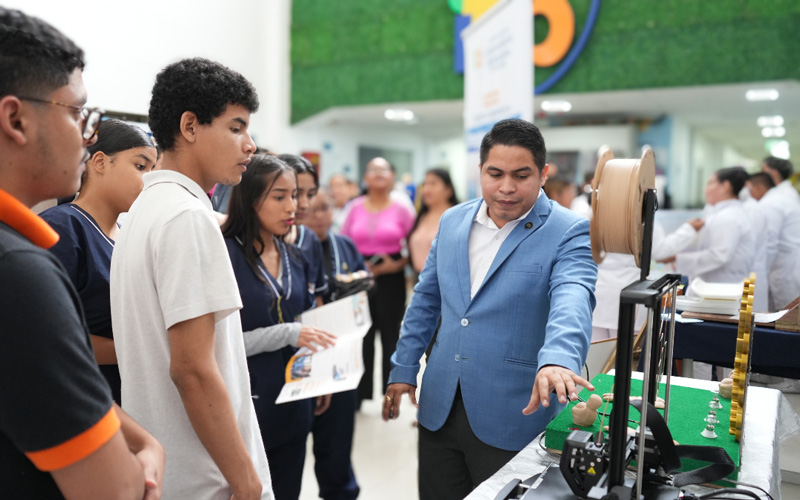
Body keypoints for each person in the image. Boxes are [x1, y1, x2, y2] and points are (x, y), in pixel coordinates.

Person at [383, 119, 597, 499]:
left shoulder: (568, 230)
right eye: (495, 173)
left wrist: (559, 359)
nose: (506, 187)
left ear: (544, 174)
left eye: (521, 175)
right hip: (440, 406)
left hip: (514, 410)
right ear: (480, 170)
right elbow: (427, 300)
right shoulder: (452, 222)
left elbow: (573, 297)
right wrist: (403, 367)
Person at [0, 7, 164, 499]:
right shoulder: (19, 270)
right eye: (76, 112)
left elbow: (40, 372)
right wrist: (143, 462)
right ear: (15, 118)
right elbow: (113, 489)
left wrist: (141, 437)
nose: (86, 131)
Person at [110, 58, 271, 500]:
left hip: (172, 470)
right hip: (207, 477)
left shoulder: (144, 209)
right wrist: (244, 479)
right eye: (236, 128)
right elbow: (193, 370)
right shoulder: (186, 217)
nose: (250, 145)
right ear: (190, 126)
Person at [222, 155, 335, 500]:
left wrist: (323, 377)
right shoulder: (225, 256)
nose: (293, 207)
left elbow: (305, 325)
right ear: (251, 198)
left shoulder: (296, 257)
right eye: (280, 196)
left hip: (294, 401)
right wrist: (286, 334)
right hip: (247, 404)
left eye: (296, 196)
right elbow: (216, 344)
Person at [40, 119, 157, 404]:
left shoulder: (133, 233)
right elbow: (44, 337)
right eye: (140, 167)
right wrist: (149, 351)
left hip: (130, 397)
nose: (148, 180)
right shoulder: (62, 227)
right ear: (101, 162)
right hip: (78, 399)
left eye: (154, 171)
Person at [303, 187, 367, 499]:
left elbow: (363, 281)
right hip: (302, 352)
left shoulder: (344, 245)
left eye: (325, 208)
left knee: (337, 442)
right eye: (312, 209)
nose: (319, 216)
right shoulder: (293, 246)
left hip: (340, 351)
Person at [340, 157, 416, 405]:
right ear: (365, 177)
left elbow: (414, 246)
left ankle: (390, 392)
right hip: (358, 278)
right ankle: (359, 395)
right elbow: (341, 242)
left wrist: (397, 265)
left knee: (390, 335)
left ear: (392, 176)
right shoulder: (354, 206)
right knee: (360, 335)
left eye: (384, 169)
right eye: (373, 169)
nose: (378, 173)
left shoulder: (402, 207)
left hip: (392, 277)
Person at [658, 167, 756, 295]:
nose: (706, 189)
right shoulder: (720, 213)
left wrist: (676, 258)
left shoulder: (729, 217)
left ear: (725, 186)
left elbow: (719, 255)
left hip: (720, 289)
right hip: (713, 287)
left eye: (710, 183)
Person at [279, 153, 327, 302]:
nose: (305, 204)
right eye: (296, 194)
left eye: (311, 195)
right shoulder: (253, 241)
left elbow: (317, 297)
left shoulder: (309, 239)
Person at [408, 168, 459, 274]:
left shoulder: (457, 217)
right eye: (425, 184)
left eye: (433, 183)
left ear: (448, 190)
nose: (426, 189)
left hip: (444, 279)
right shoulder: (421, 217)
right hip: (418, 278)